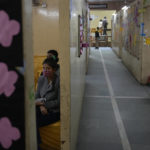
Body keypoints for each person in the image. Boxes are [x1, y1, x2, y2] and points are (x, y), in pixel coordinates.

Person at [35, 58, 60, 149]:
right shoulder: (41, 79)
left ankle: (36, 145)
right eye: (44, 68)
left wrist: (43, 104)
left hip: (54, 111)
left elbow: (58, 102)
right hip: (41, 108)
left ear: (54, 70)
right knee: (30, 115)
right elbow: (36, 96)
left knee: (33, 121)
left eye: (48, 68)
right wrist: (41, 106)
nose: (45, 70)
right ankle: (37, 145)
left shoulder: (58, 81)